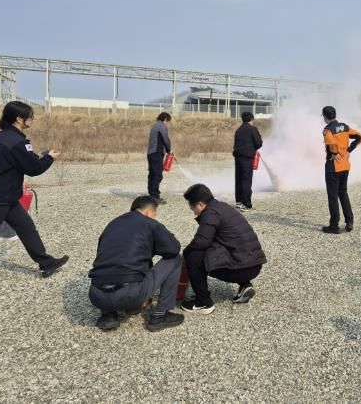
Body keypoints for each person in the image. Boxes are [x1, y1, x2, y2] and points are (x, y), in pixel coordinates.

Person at [0, 101, 68, 277]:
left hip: (4, 196)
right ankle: (46, 262)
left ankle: (46, 263)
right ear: (19, 119)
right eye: (30, 117)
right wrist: (49, 158)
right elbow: (34, 168)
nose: (32, 119)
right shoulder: (18, 142)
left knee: (26, 228)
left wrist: (35, 157)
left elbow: (9, 164)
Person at [88, 196, 184, 332]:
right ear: (149, 212)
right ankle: (160, 315)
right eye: (155, 214)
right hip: (130, 294)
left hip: (97, 296)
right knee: (175, 259)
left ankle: (108, 315)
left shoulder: (113, 224)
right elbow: (173, 249)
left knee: (110, 265)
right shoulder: (150, 223)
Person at [181, 184, 267, 314]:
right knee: (216, 247)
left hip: (244, 268)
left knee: (193, 256)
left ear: (200, 204)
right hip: (254, 263)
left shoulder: (210, 214)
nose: (193, 212)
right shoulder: (222, 206)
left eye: (193, 208)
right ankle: (245, 285)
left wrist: (185, 253)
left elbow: (201, 242)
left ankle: (203, 303)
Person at [321, 106, 361, 234]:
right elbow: (360, 136)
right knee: (343, 193)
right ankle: (349, 221)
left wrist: (334, 153)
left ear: (325, 117)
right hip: (345, 166)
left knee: (333, 196)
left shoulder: (327, 130)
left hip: (333, 167)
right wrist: (349, 150)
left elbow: (331, 143)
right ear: (335, 115)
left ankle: (334, 226)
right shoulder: (345, 127)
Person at [233, 111, 263, 211]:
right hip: (247, 158)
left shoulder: (238, 130)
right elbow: (259, 143)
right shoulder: (252, 129)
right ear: (251, 119)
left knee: (238, 179)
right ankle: (246, 203)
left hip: (238, 158)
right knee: (246, 180)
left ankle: (238, 202)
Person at [147, 112, 172, 204]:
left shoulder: (154, 126)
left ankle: (151, 194)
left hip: (150, 153)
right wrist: (169, 150)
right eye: (167, 121)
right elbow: (166, 139)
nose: (167, 123)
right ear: (165, 119)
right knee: (157, 175)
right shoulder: (162, 126)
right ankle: (155, 196)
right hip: (157, 153)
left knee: (152, 174)